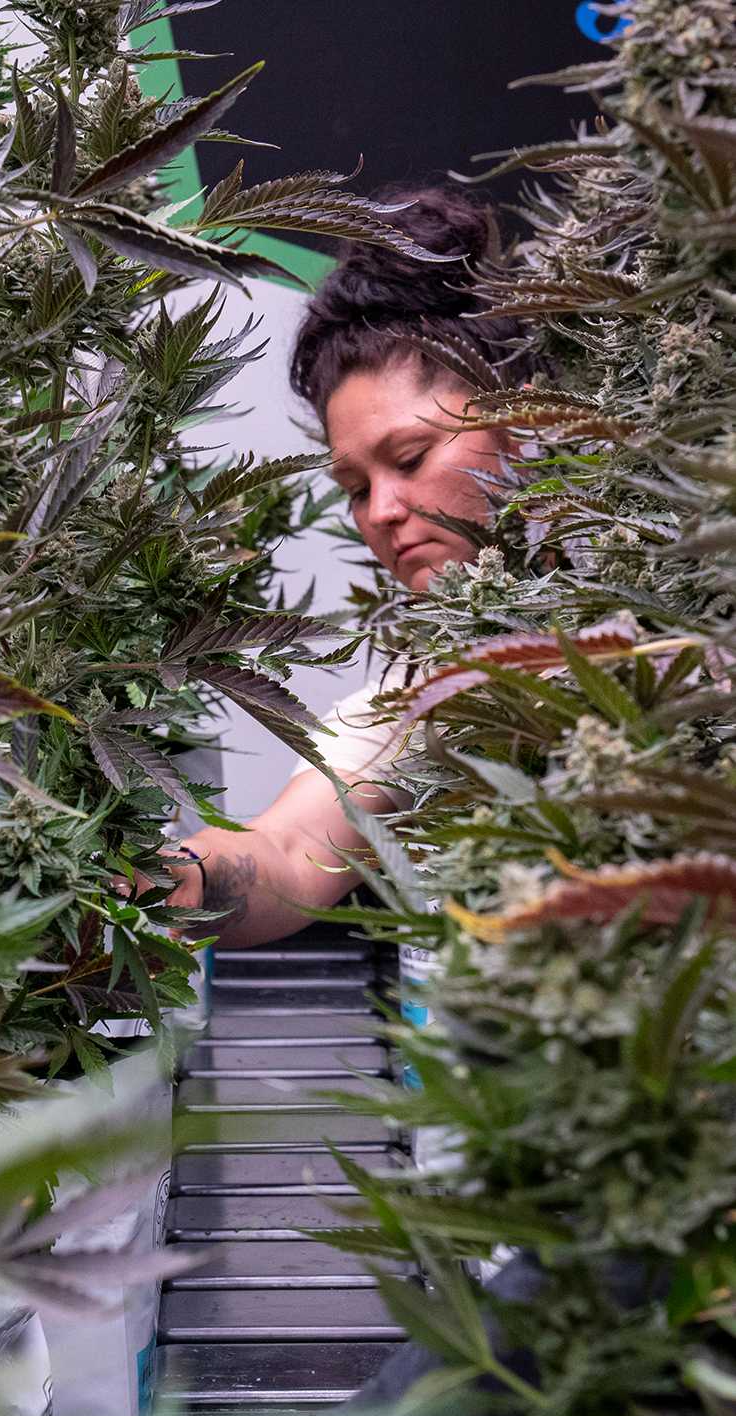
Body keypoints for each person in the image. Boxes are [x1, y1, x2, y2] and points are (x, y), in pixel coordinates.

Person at [145, 182, 537, 945]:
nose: (381, 513)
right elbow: (288, 857)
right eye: (356, 487)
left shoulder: (670, 604)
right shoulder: (431, 693)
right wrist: (145, 884)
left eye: (412, 457)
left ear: (524, 423)